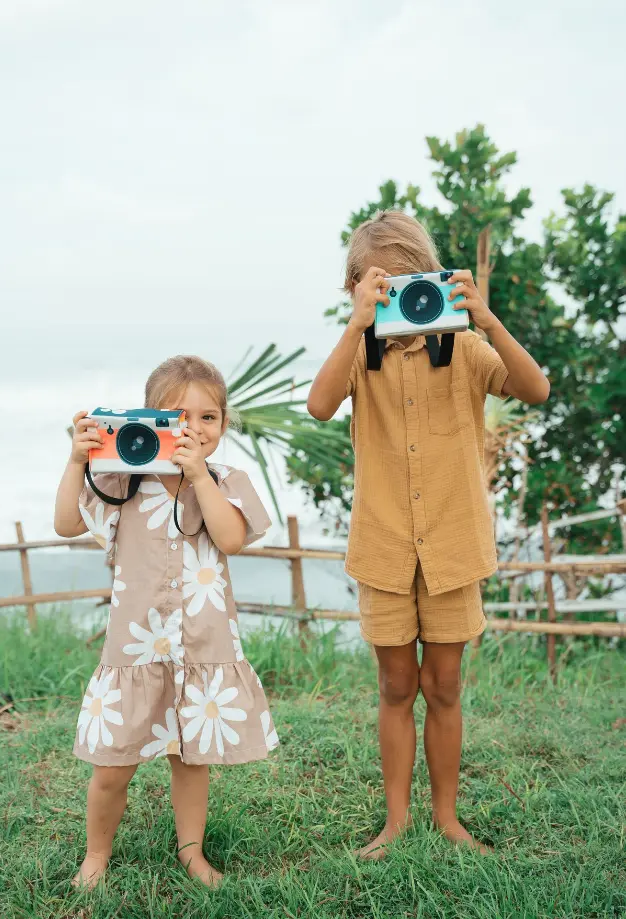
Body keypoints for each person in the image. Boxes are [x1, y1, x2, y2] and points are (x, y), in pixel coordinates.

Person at [307, 210, 550, 858]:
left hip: (452, 545)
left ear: (436, 281)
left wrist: (487, 318)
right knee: (395, 686)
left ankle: (447, 817)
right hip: (386, 548)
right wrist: (359, 326)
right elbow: (320, 404)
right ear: (356, 288)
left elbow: (534, 386)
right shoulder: (360, 354)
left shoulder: (466, 350)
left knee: (443, 685)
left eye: (413, 283)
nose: (398, 296)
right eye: (379, 284)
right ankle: (396, 820)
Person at [54, 355, 279, 888]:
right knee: (112, 766)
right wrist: (75, 461)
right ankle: (96, 855)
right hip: (136, 652)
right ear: (149, 419)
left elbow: (229, 538)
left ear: (224, 424)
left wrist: (199, 475)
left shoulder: (227, 480)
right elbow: (65, 524)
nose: (196, 428)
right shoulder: (121, 482)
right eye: (180, 416)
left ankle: (191, 853)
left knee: (190, 759)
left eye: (209, 417)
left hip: (200, 648)